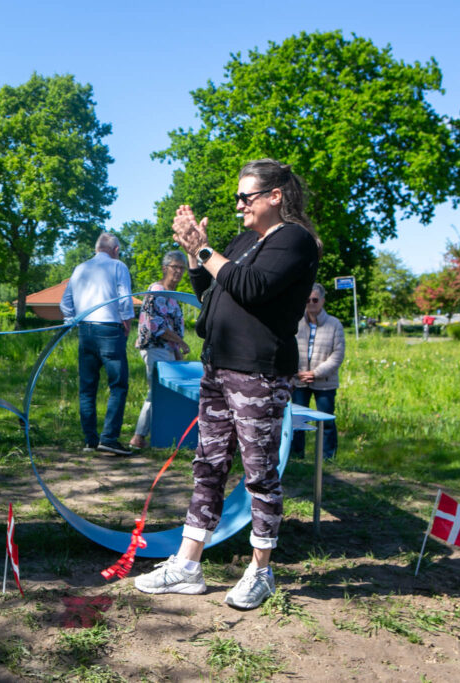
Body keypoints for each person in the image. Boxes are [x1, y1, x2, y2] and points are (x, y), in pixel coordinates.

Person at [134, 159, 319, 609]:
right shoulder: (242, 241)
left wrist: (202, 250)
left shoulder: (295, 240)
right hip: (217, 367)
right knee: (208, 464)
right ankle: (188, 565)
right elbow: (213, 292)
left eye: (246, 197)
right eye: (238, 197)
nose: (239, 205)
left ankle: (260, 570)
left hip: (259, 371)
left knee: (258, 473)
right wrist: (197, 254)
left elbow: (252, 287)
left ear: (275, 196)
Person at [60, 233, 135, 456]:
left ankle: (90, 440)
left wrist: (71, 320)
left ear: (96, 249)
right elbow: (124, 298)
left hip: (85, 329)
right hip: (110, 330)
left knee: (87, 388)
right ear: (115, 249)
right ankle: (109, 438)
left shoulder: (80, 268)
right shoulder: (118, 266)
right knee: (118, 385)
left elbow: (65, 302)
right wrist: (127, 323)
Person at [129, 250, 191, 450]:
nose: (179, 272)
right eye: (175, 267)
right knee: (155, 391)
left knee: (166, 392)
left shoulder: (172, 296)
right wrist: (181, 343)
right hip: (155, 348)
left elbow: (173, 327)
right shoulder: (156, 291)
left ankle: (162, 435)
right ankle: (138, 436)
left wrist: (178, 351)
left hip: (168, 351)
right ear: (165, 268)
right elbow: (156, 326)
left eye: (182, 268)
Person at [290, 283, 345, 460]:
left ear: (322, 300)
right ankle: (297, 456)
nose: (311, 303)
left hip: (325, 382)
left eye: (314, 300)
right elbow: (287, 348)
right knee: (297, 421)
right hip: (299, 380)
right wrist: (297, 371)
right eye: (307, 300)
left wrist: (315, 373)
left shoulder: (334, 324)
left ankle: (328, 457)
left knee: (327, 421)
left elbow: (337, 354)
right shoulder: (296, 322)